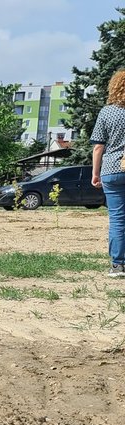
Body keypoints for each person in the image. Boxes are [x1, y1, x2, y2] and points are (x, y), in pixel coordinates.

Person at [92, 69, 125, 277]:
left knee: (117, 218)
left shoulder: (107, 112)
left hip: (112, 169)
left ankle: (118, 265)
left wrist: (95, 173)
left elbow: (98, 147)